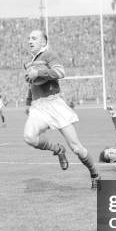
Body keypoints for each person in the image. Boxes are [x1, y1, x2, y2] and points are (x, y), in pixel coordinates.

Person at [23, 29, 100, 189]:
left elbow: (60, 72)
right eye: (29, 38)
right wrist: (28, 101)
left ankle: (95, 174)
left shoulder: (49, 55)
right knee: (29, 137)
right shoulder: (28, 62)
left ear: (43, 42)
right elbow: (31, 85)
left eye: (34, 38)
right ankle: (58, 149)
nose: (30, 41)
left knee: (77, 148)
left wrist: (39, 72)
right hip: (38, 106)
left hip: (54, 104)